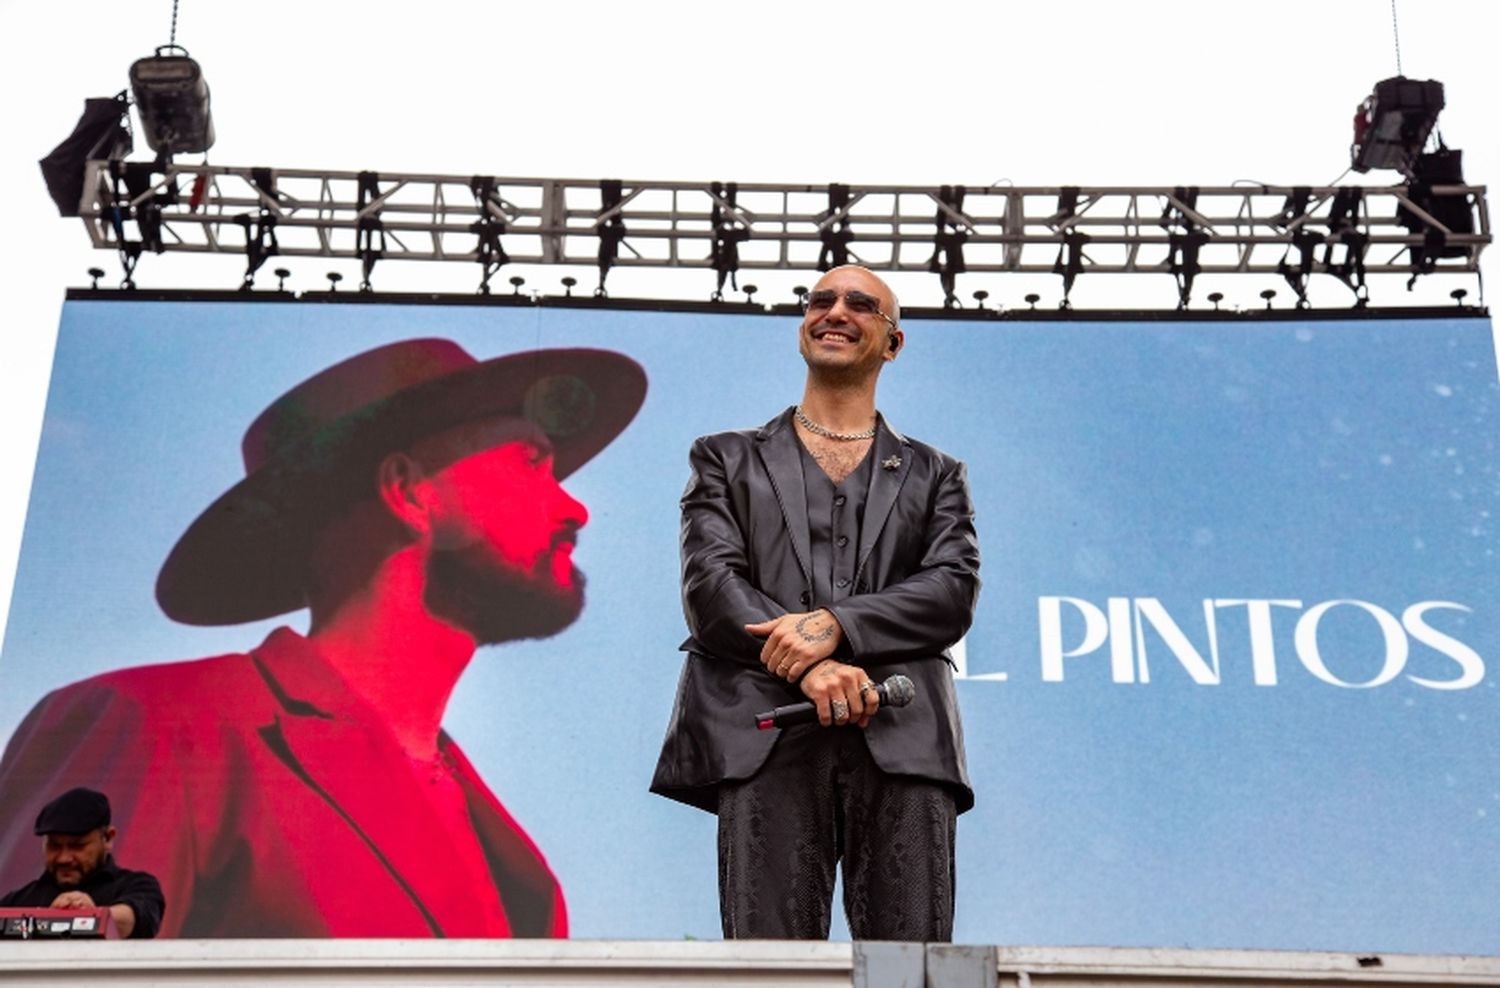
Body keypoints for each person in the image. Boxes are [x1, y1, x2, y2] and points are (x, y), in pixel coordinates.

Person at [0, 339, 646, 938]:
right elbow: (45, 966)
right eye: (530, 464)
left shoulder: (508, 856)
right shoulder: (158, 726)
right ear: (408, 491)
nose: (575, 509)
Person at [651, 265, 980, 941]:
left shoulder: (937, 473)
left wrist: (835, 627)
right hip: (764, 731)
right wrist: (806, 668)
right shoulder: (724, 457)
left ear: (892, 343)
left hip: (903, 734)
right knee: (768, 970)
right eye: (820, 300)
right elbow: (710, 588)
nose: (835, 311)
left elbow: (951, 590)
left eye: (861, 304)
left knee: (910, 970)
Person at [0, 788, 164, 939]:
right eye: (54, 846)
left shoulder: (137, 886)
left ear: (108, 838)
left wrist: (92, 917)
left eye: (77, 846)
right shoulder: (16, 901)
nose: (64, 858)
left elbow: (132, 918)